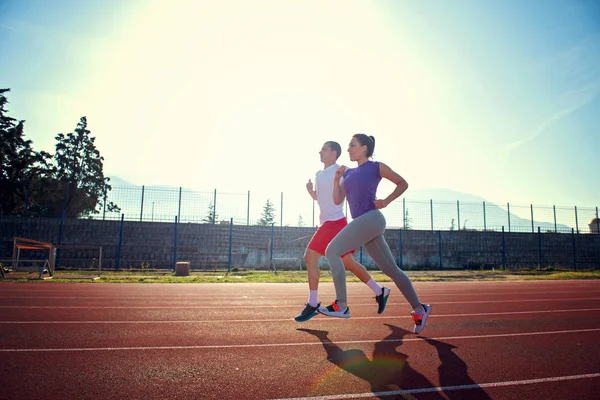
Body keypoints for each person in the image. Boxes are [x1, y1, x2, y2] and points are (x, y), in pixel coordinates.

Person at [317, 134, 431, 334]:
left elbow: (402, 183)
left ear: (364, 148)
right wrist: (336, 179)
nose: (349, 149)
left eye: (352, 145)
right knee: (391, 270)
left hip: (372, 218)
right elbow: (337, 200)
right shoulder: (348, 173)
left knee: (332, 251)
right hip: (363, 224)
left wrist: (386, 201)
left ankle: (341, 305)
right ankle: (420, 309)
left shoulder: (376, 166)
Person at [294, 141, 390, 322]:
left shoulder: (341, 171)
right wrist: (310, 192)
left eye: (323, 149)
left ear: (334, 153)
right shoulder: (319, 174)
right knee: (348, 262)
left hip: (335, 222)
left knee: (310, 257)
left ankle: (313, 303)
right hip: (328, 222)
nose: (320, 152)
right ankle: (380, 291)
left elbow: (342, 196)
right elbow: (321, 198)